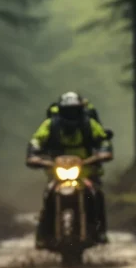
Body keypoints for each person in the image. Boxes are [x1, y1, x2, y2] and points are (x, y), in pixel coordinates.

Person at [27, 91, 113, 245]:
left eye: (74, 110)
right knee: (48, 197)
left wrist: (104, 152)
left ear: (80, 110)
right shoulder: (50, 125)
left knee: (97, 195)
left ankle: (100, 232)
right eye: (67, 111)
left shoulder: (89, 124)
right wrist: (33, 155)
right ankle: (43, 234)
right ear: (60, 110)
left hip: (87, 174)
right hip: (57, 175)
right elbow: (36, 140)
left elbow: (103, 140)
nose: (71, 114)